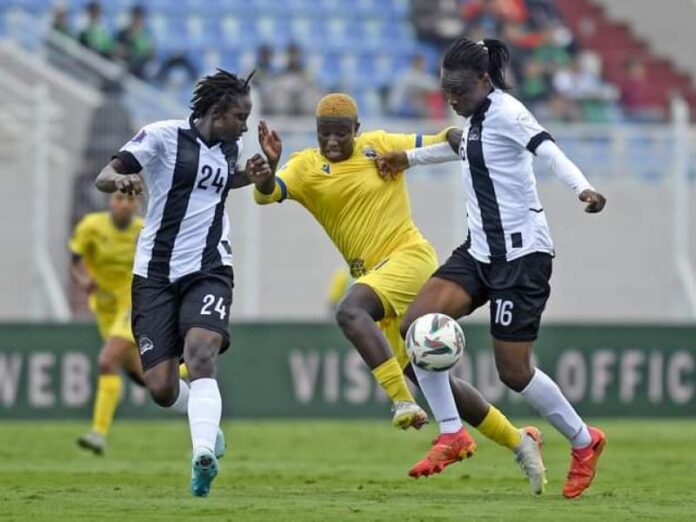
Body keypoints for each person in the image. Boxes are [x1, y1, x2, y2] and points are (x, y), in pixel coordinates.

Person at [252, 93, 547, 494]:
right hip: (378, 275)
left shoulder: (380, 145)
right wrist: (268, 167)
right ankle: (518, 440)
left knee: (351, 310)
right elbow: (267, 194)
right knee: (424, 373)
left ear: (357, 130)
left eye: (341, 133)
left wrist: (460, 138)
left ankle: (401, 402)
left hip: (409, 259)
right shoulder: (306, 166)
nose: (333, 142)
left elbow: (440, 140)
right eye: (325, 134)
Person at [377, 38, 607, 499]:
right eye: (447, 92)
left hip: (521, 258)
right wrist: (408, 158)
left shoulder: (508, 112)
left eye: (460, 91)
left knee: (514, 373)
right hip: (479, 252)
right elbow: (460, 147)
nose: (453, 100)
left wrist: (583, 189)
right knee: (415, 328)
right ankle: (451, 433)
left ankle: (584, 441)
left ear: (484, 82)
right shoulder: (477, 119)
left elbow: (546, 149)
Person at [95, 69, 272, 497]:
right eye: (239, 116)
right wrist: (123, 180)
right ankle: (206, 424)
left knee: (200, 354)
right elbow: (105, 176)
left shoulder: (232, 147)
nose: (245, 126)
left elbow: (221, 183)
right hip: (154, 275)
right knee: (159, 387)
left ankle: (201, 454)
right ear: (215, 112)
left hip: (209, 267)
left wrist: (260, 170)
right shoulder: (160, 136)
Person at [70, 193, 144, 454]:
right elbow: (76, 261)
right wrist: (83, 281)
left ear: (138, 204)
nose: (125, 204)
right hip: (104, 308)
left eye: (131, 200)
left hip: (133, 304)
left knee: (107, 361)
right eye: (120, 198)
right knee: (146, 377)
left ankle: (98, 433)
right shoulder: (91, 226)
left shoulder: (143, 231)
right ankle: (190, 381)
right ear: (110, 201)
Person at [115, 5, 155, 79]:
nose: (137, 20)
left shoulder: (146, 35)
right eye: (135, 17)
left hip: (142, 69)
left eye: (139, 17)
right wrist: (130, 40)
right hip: (127, 67)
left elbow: (151, 55)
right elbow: (118, 51)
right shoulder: (123, 33)